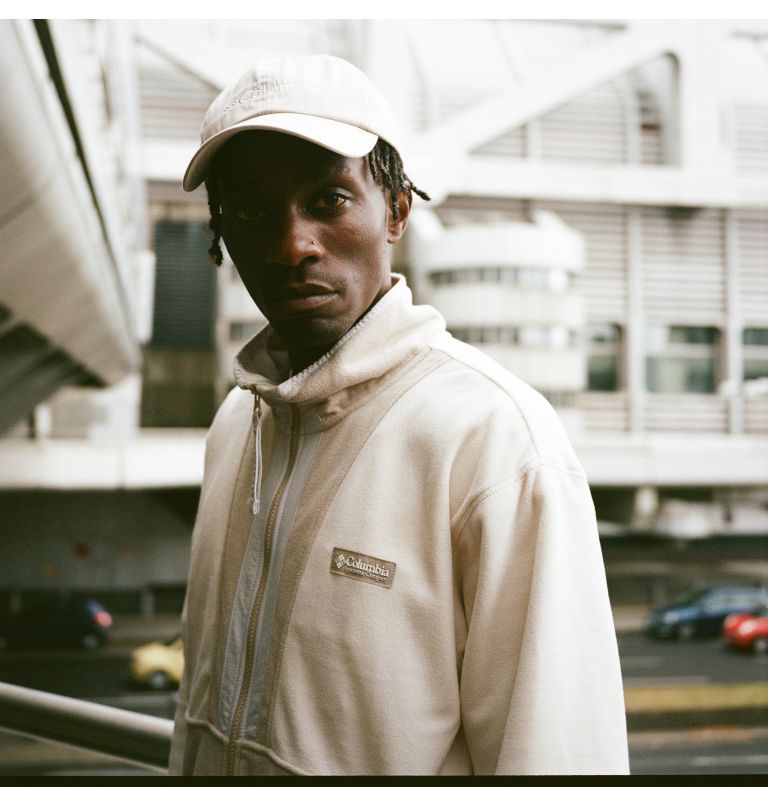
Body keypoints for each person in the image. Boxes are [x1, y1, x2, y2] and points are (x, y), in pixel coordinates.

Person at [169, 54, 629, 777]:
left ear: (397, 209)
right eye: (253, 211)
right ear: (220, 235)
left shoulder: (496, 441)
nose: (294, 245)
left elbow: (558, 757)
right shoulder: (236, 426)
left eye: (327, 200)